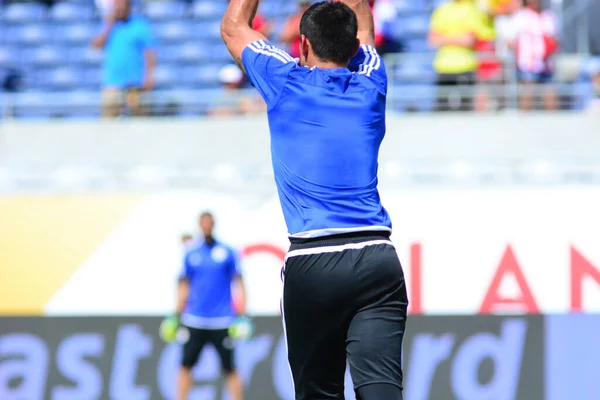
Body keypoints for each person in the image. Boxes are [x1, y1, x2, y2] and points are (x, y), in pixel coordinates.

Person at [221, 1, 408, 399]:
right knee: (382, 391)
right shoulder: (373, 80)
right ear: (355, 46)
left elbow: (233, 26)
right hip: (377, 258)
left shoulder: (285, 81)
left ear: (302, 43)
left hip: (314, 260)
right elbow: (359, 12)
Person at [175, 212, 247, 400]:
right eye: (203, 223)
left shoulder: (227, 252)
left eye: (209, 223)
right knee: (185, 366)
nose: (206, 226)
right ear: (199, 225)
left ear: (213, 224)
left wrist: (242, 314)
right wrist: (176, 313)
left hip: (222, 320)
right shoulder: (191, 253)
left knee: (230, 368)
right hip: (195, 319)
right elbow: (184, 284)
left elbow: (239, 282)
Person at [91, 0, 157, 118]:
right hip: (113, 82)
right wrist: (109, 25)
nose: (120, 9)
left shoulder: (140, 25)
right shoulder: (108, 25)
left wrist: (149, 77)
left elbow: (150, 54)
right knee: (109, 121)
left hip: (135, 83)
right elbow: (97, 45)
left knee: (140, 121)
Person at [428, 0, 489, 111]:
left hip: (465, 67)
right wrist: (459, 38)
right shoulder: (442, 9)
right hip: (444, 67)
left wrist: (445, 38)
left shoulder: (472, 9)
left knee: (465, 112)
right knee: (442, 112)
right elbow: (433, 39)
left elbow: (469, 40)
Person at [507, 0, 558, 110]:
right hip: (527, 66)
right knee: (527, 96)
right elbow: (509, 41)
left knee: (550, 96)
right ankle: (524, 124)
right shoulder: (520, 16)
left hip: (546, 65)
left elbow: (555, 38)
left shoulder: (548, 16)